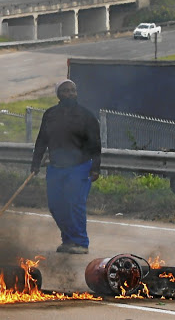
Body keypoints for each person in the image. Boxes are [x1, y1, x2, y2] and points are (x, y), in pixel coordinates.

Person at [30, 79, 101, 255]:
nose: (70, 94)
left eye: (72, 91)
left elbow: (95, 144)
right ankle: (68, 240)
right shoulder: (50, 115)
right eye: (65, 91)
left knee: (74, 203)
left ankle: (80, 242)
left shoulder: (86, 115)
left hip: (79, 166)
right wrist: (35, 163)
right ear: (58, 95)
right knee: (56, 205)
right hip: (55, 167)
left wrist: (96, 168)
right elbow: (41, 140)